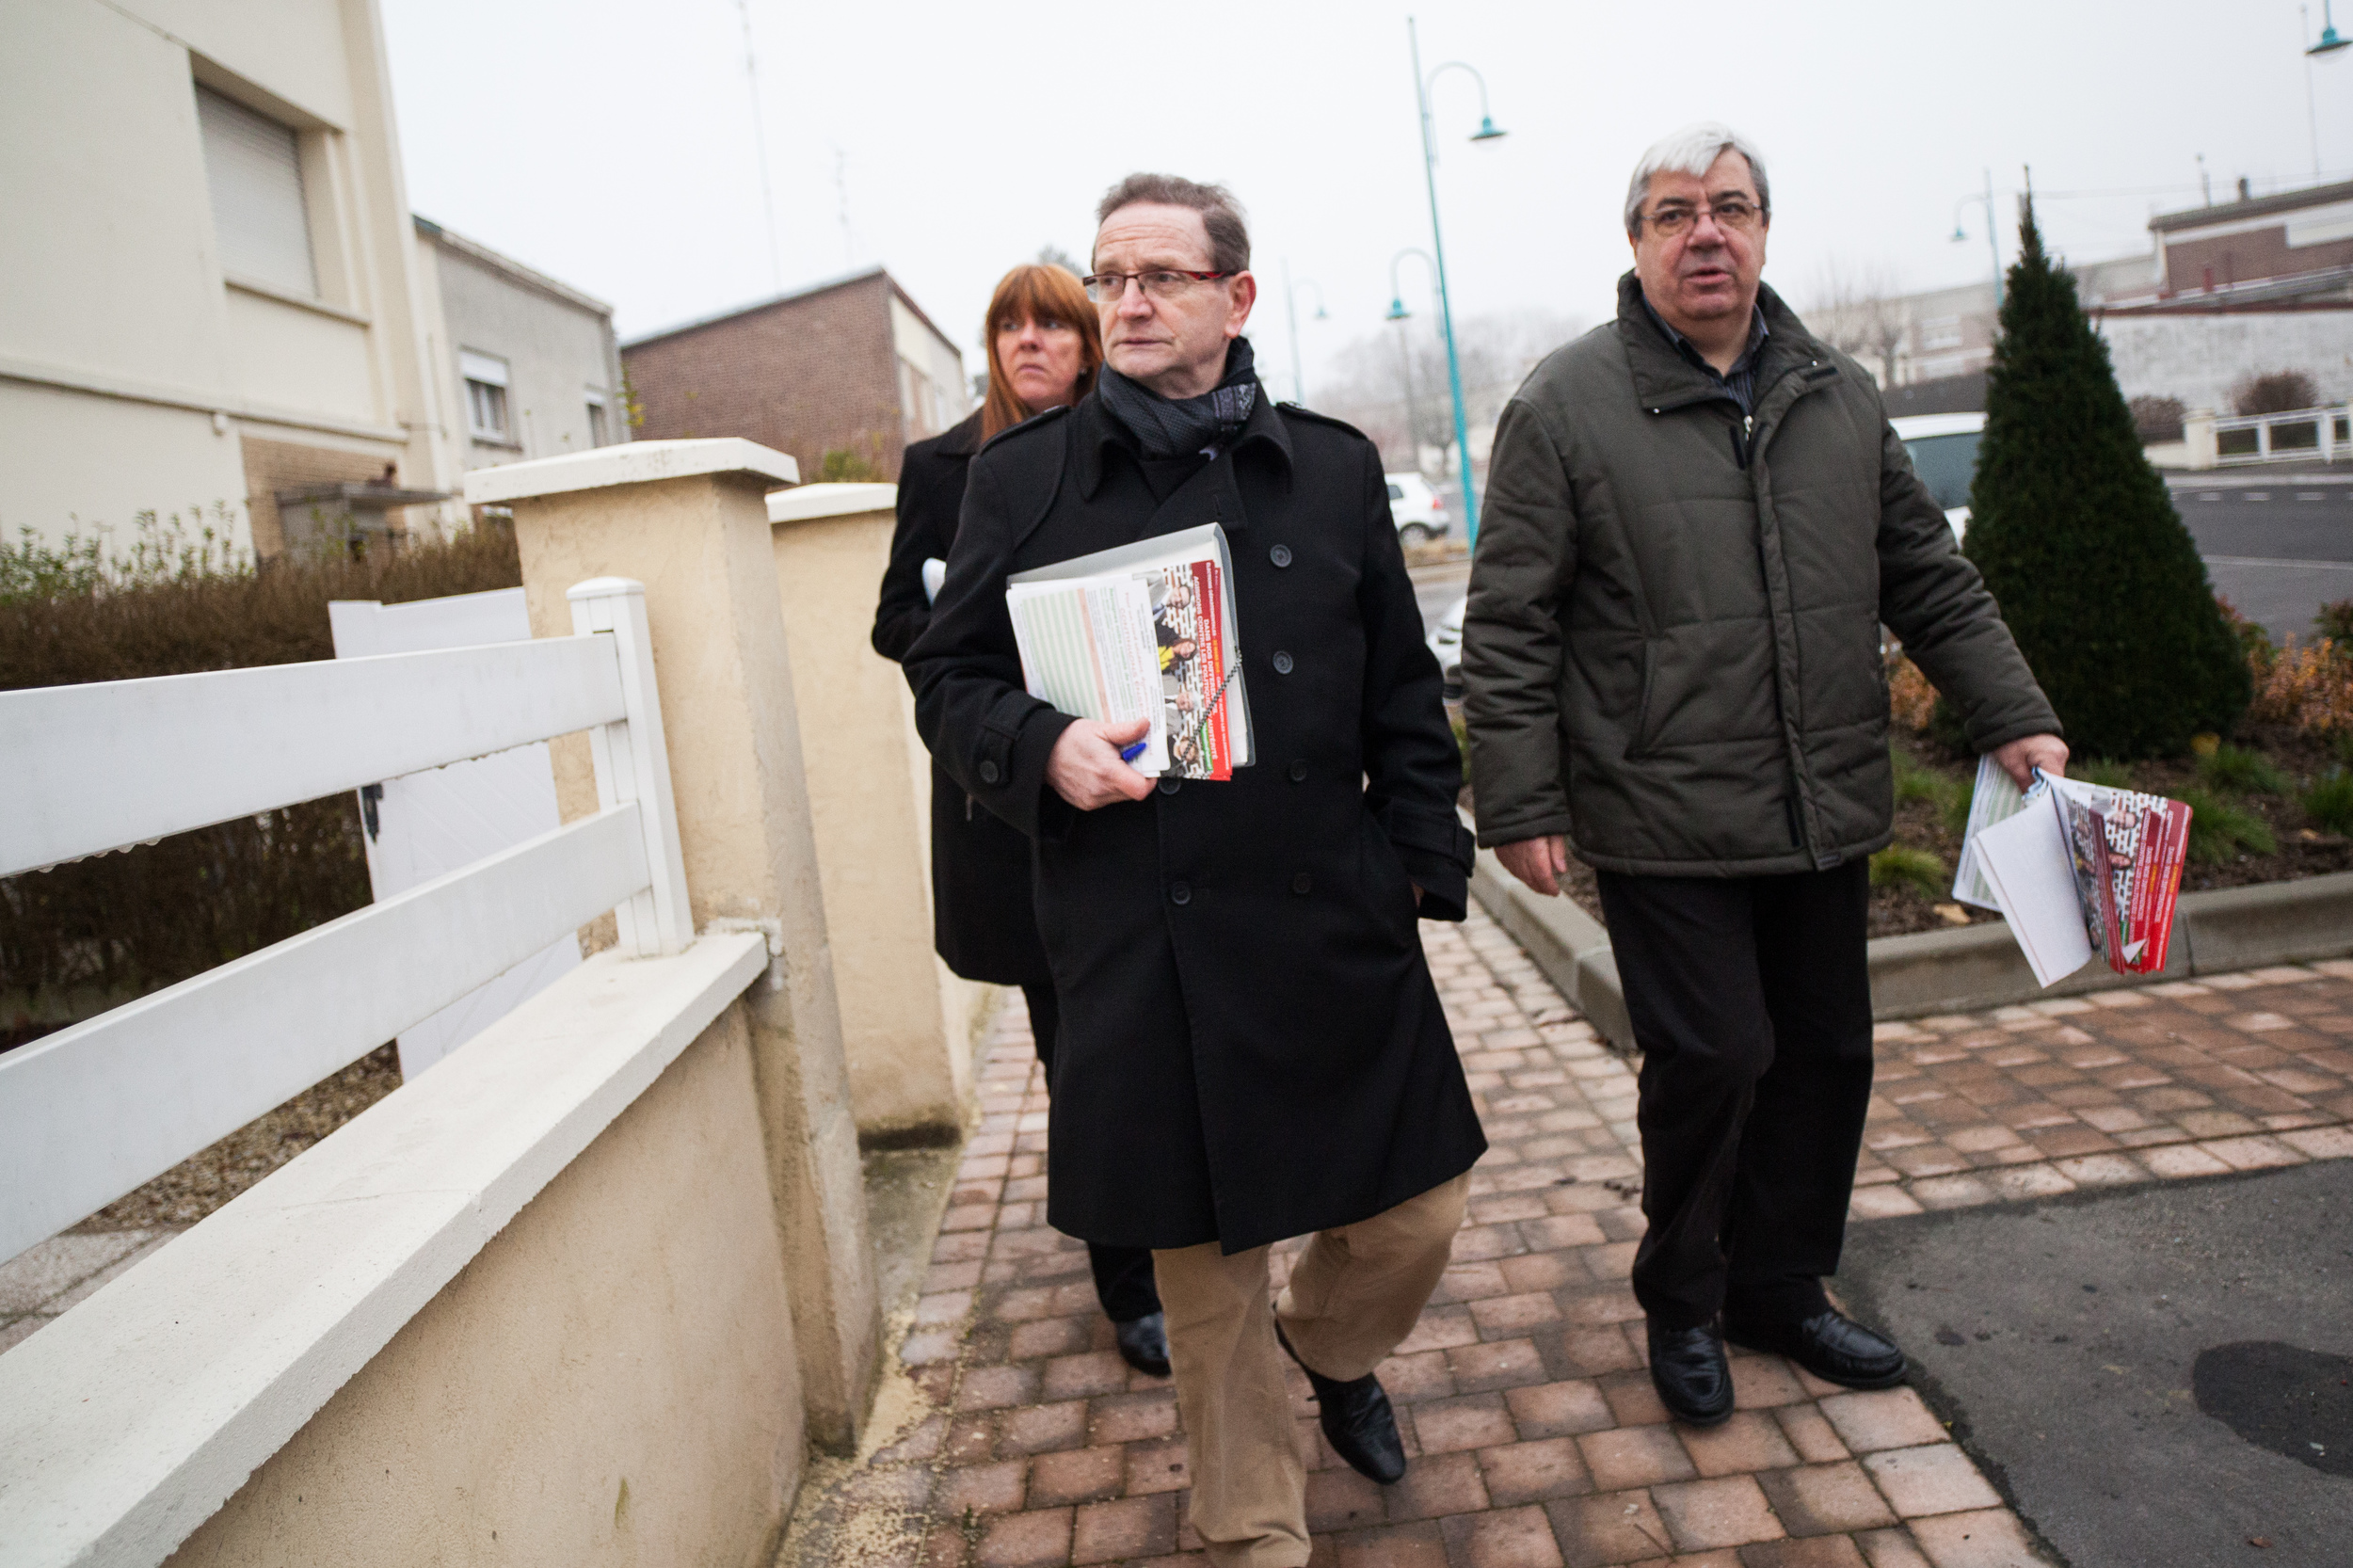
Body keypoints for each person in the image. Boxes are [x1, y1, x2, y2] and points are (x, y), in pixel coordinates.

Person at [906, 174, 1483, 1568]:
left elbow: (1404, 693)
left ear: (1237, 298)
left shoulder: (1333, 467)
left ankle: (1334, 1346)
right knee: (1206, 1277)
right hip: (1138, 927)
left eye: (1162, 276)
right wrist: (1041, 748)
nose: (1130, 302)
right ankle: (1254, 1526)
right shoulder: (1022, 477)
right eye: (1111, 277)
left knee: (1416, 1212)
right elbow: (948, 673)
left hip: (1326, 910)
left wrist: (1420, 859)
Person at [1461, 123, 2067, 1429]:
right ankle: (1683, 1294)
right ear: (1635, 242)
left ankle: (1780, 1284)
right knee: (1714, 1054)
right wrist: (1519, 802)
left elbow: (1927, 574)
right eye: (1674, 212)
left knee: (1825, 1054)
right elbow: (1509, 622)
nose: (1706, 234)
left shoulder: (1837, 394)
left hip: (1821, 796)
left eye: (1730, 208)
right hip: (1660, 804)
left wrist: (2013, 715)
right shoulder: (1564, 406)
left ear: (1766, 229)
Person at [872, 263, 1170, 1376]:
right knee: (1077, 1053)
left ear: (1090, 343)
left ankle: (1185, 1227)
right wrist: (992, 655)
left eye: (1053, 322)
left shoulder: (1129, 448)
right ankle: (1127, 1283)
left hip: (1130, 780)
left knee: (1143, 1032)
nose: (1030, 340)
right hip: (1010, 803)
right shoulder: (940, 466)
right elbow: (899, 620)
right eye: (1011, 324)